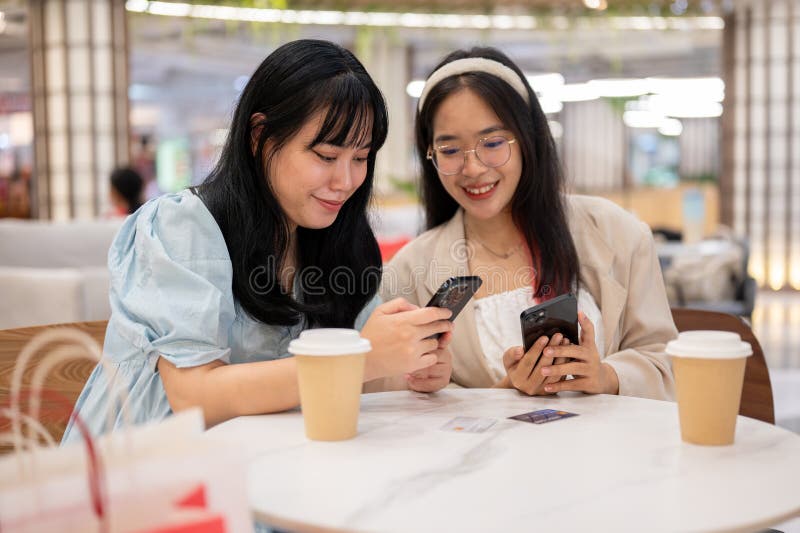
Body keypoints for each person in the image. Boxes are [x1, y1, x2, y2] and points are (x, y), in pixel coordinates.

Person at [63, 39, 454, 442]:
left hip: (263, 466)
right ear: (259, 136)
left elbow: (352, 376)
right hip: (141, 473)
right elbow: (194, 395)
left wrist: (409, 370)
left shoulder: (331, 238)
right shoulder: (185, 225)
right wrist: (365, 358)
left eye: (360, 158)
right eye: (325, 156)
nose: (347, 181)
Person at [374, 47, 676, 400]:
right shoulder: (411, 271)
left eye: (493, 143)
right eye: (451, 150)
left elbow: (669, 365)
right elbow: (403, 405)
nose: (473, 169)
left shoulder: (617, 233)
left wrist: (606, 376)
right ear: (430, 155)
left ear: (528, 137)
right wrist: (507, 390)